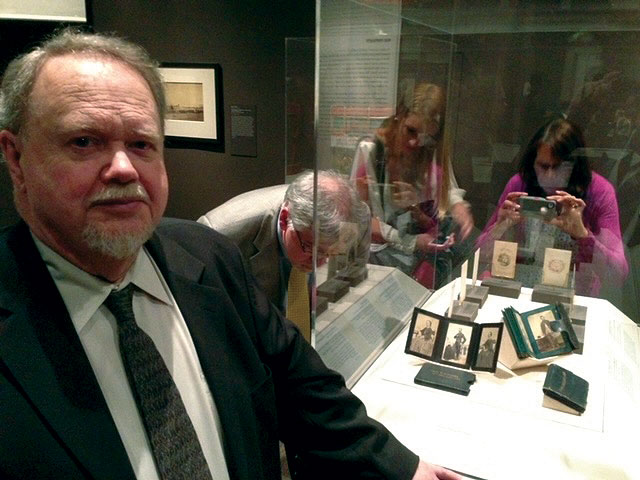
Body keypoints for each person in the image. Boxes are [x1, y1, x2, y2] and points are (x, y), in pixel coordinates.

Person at [0, 29, 460, 480]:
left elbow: (301, 386)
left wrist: (404, 468)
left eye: (141, 144)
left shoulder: (206, 258)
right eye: (84, 141)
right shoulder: (225, 232)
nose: (123, 167)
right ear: (16, 157)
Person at [476, 118, 628, 295]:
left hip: (573, 295)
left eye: (557, 167)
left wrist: (584, 236)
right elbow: (479, 255)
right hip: (519, 288)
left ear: (574, 165)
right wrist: (499, 228)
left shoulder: (599, 191)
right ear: (533, 163)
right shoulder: (520, 184)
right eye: (543, 166)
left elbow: (618, 275)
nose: (549, 175)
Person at [350, 82, 474, 289]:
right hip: (377, 261)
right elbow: (359, 219)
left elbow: (447, 190)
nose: (415, 143)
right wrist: (411, 241)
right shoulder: (372, 152)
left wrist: (458, 207)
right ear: (400, 115)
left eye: (425, 137)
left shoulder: (430, 152)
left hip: (419, 260)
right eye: (411, 131)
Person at [197, 170, 370, 316]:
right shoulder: (219, 235)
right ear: (285, 219)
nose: (319, 263)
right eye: (310, 248)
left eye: (329, 254)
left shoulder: (352, 218)